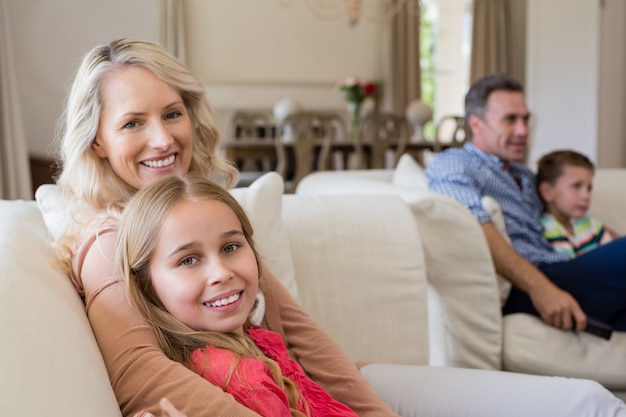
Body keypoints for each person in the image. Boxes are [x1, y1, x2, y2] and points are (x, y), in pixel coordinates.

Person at [52, 38, 626, 417]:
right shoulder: (110, 241)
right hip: (283, 399)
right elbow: (142, 380)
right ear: (97, 140)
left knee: (588, 402)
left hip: (317, 386)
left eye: (172, 113)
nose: (162, 138)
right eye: (133, 122)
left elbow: (301, 335)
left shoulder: (206, 212)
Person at [117, 173, 362, 417]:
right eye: (188, 260)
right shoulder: (244, 380)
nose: (221, 273)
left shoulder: (253, 340)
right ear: (145, 283)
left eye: (230, 247)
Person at [426, 73, 626, 332]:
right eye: (510, 120)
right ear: (476, 123)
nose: (523, 131)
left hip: (564, 268)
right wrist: (542, 290)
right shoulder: (455, 163)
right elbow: (474, 226)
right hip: (529, 283)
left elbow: (570, 220)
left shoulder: (525, 176)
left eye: (526, 119)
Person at [537, 149, 619, 257]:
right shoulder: (541, 230)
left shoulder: (592, 225)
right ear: (548, 191)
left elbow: (615, 256)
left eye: (589, 188)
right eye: (576, 186)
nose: (586, 196)